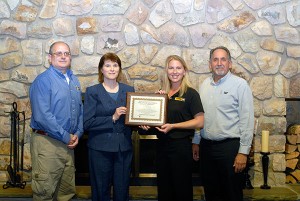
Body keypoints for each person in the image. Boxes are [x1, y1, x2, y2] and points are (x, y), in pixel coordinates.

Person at [192, 46, 254, 201]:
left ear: (230, 63)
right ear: (210, 64)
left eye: (223, 59)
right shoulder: (204, 85)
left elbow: (247, 120)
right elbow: (201, 117)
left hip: (230, 149)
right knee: (211, 193)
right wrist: (196, 141)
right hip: (206, 148)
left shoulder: (241, 85)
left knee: (231, 194)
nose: (219, 63)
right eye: (215, 59)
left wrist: (243, 152)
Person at [140, 55, 204, 201]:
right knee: (164, 190)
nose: (174, 71)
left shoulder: (191, 94)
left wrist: (174, 126)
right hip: (162, 148)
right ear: (166, 71)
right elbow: (157, 124)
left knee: (182, 190)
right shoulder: (162, 95)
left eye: (178, 68)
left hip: (181, 149)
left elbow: (200, 122)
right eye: (171, 68)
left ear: (184, 71)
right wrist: (145, 124)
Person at [29, 41, 83, 200]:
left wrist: (78, 133)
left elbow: (80, 110)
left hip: (69, 145)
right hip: (48, 143)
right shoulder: (43, 81)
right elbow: (42, 116)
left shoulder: (74, 81)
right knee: (44, 192)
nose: (63, 56)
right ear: (49, 58)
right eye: (58, 53)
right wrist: (66, 136)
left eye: (66, 53)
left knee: (65, 193)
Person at [83, 53, 134, 201]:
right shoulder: (93, 91)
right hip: (99, 150)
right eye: (107, 65)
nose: (112, 69)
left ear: (119, 69)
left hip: (123, 149)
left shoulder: (129, 89)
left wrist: (142, 123)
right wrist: (112, 117)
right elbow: (87, 123)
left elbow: (133, 118)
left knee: (122, 190)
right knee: (100, 191)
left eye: (115, 65)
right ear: (101, 69)